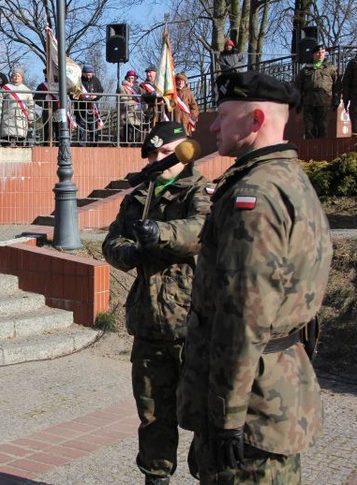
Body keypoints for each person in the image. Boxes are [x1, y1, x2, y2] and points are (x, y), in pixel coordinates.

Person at [177, 71, 333, 483]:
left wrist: (227, 416)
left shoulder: (257, 195)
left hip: (252, 410)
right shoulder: (290, 180)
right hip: (274, 389)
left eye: (223, 116)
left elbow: (244, 315)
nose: (211, 125)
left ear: (256, 121)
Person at [103, 121, 211, 485]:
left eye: (167, 153)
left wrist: (159, 233)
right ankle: (156, 477)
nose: (159, 159)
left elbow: (199, 230)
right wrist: (128, 251)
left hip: (193, 327)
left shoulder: (200, 191)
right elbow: (112, 242)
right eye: (153, 153)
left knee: (203, 418)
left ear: (186, 154)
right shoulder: (137, 197)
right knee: (152, 419)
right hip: (149, 325)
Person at [295, 43, 338, 139]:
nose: (320, 55)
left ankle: (322, 150)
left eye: (323, 52)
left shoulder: (331, 68)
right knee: (309, 128)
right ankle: (310, 151)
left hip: (324, 100)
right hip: (309, 100)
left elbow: (337, 85)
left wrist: (336, 99)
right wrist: (298, 102)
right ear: (314, 54)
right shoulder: (305, 69)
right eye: (318, 53)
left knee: (323, 126)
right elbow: (298, 87)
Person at [1, 67, 35, 144]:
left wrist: (31, 116)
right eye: (14, 75)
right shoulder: (5, 88)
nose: (16, 77)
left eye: (18, 76)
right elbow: (0, 102)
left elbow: (30, 105)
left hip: (21, 117)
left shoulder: (27, 90)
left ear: (22, 78)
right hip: (8, 117)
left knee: (20, 138)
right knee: (8, 139)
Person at [73, 64, 104, 144]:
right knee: (81, 128)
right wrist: (81, 97)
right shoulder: (78, 81)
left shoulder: (95, 80)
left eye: (91, 74)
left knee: (93, 128)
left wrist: (96, 96)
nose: (89, 76)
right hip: (81, 108)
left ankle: (94, 144)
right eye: (88, 74)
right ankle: (81, 145)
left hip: (92, 109)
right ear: (83, 73)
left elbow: (101, 91)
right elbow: (72, 94)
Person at [118, 69, 142, 142]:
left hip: (137, 111)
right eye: (129, 78)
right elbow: (122, 99)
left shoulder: (138, 88)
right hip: (127, 111)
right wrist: (133, 102)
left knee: (136, 129)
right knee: (128, 129)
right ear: (126, 78)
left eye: (132, 78)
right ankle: (127, 143)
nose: (131, 79)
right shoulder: (122, 87)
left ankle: (134, 143)